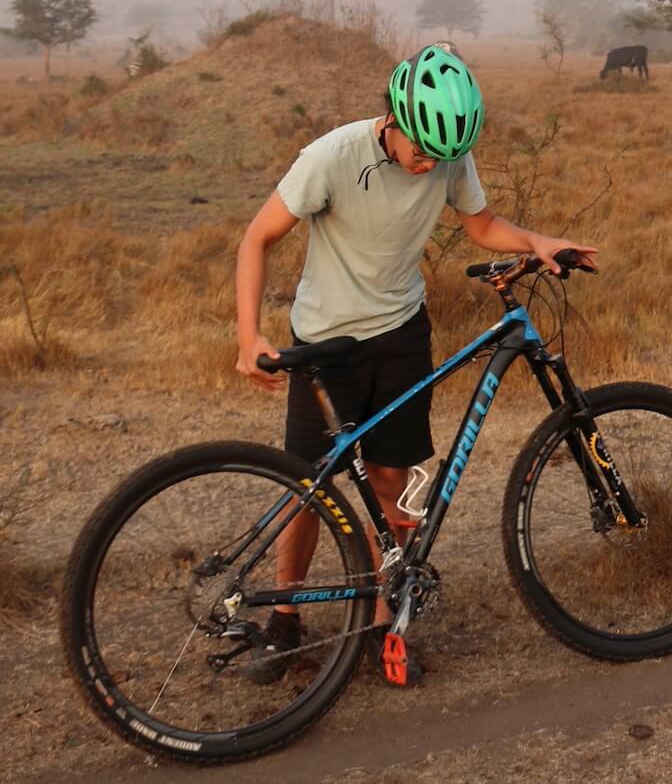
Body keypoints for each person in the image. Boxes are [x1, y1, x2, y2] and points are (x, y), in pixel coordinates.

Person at [234, 43, 597, 685]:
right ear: (394, 119)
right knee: (307, 487)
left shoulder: (448, 153)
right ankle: (283, 618)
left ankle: (383, 625)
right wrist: (248, 335)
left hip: (401, 334)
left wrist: (538, 241)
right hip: (327, 342)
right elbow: (257, 237)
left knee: (392, 482)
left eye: (442, 155)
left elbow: (481, 224)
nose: (430, 164)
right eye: (420, 150)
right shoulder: (332, 157)